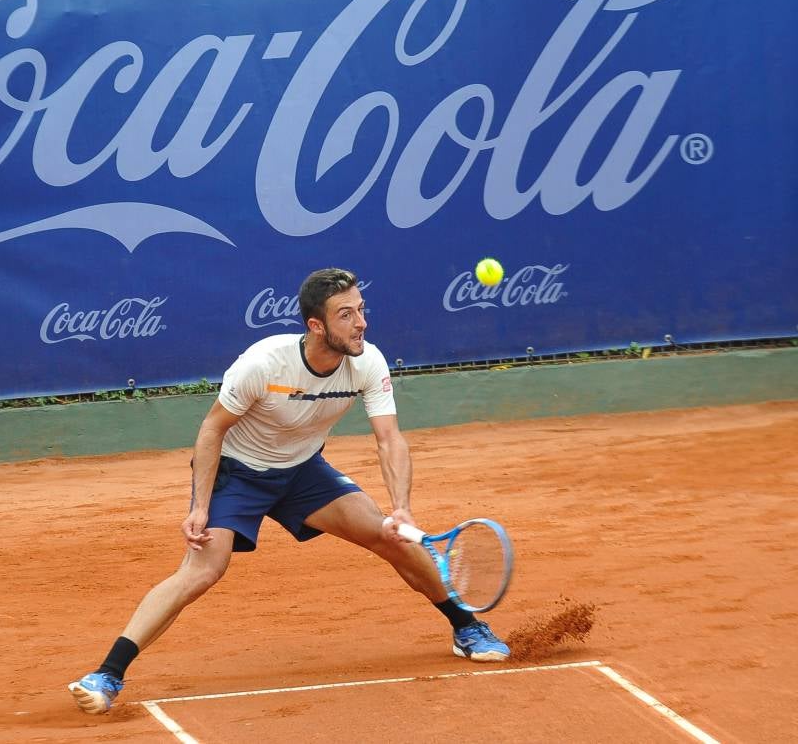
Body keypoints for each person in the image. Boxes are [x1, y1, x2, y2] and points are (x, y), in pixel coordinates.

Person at [67, 267, 509, 714]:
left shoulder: (367, 361)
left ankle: (466, 627)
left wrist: (402, 508)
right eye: (346, 315)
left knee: (388, 535)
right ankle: (108, 674)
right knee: (203, 570)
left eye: (361, 310)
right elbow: (211, 430)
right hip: (237, 474)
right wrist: (200, 506)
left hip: (302, 472)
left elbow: (389, 438)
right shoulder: (264, 363)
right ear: (316, 325)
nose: (361, 323)